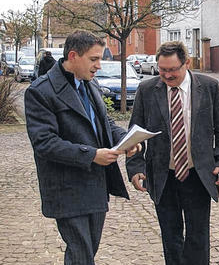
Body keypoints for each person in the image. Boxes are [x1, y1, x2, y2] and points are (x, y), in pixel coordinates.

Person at [25, 30, 141, 265]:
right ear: (73, 55)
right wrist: (91, 156)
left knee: (87, 252)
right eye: (94, 59)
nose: (99, 65)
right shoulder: (40, 91)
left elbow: (104, 123)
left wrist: (126, 140)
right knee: (81, 253)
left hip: (95, 186)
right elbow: (45, 143)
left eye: (100, 58)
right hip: (66, 188)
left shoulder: (90, 83)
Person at [126, 41, 219, 265]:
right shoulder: (147, 90)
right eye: (162, 70)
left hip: (198, 174)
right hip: (163, 175)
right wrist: (136, 167)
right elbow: (135, 134)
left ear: (187, 63)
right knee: (170, 237)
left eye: (173, 70)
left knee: (198, 236)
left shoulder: (209, 87)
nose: (167, 75)